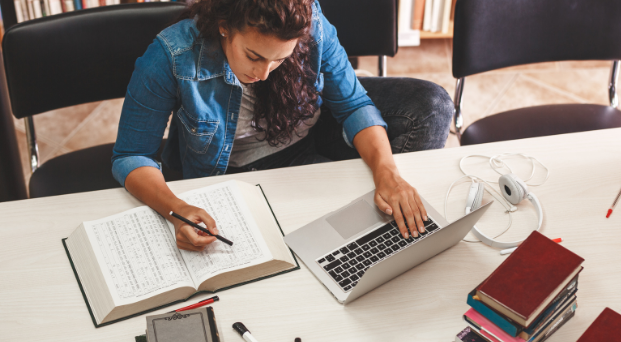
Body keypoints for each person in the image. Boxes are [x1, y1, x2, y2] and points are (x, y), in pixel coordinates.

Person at [112, 0, 453, 252]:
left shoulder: (312, 23)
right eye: (254, 56)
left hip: (307, 144)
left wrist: (388, 175)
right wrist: (178, 211)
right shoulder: (172, 54)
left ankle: (392, 218)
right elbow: (132, 155)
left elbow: (352, 105)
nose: (263, 74)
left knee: (431, 105)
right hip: (231, 174)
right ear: (224, 25)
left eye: (280, 59)